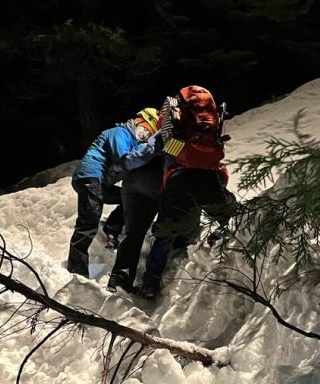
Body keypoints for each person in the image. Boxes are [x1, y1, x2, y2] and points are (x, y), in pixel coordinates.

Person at [140, 85, 237, 300]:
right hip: (208, 176)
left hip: (179, 178)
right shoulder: (209, 116)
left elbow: (164, 147)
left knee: (164, 233)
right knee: (230, 215)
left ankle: (151, 283)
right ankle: (218, 245)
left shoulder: (173, 110)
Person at [67, 108, 163, 277]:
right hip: (91, 177)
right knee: (88, 222)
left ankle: (111, 228)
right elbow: (124, 158)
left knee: (126, 198)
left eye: (150, 134)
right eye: (148, 130)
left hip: (99, 181)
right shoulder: (120, 133)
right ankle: (76, 270)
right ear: (140, 120)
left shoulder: (129, 138)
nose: (146, 135)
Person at [107, 107, 166, 293]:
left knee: (133, 234)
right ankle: (151, 283)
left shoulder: (152, 134)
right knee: (166, 232)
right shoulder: (175, 136)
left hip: (132, 183)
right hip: (157, 184)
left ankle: (120, 275)